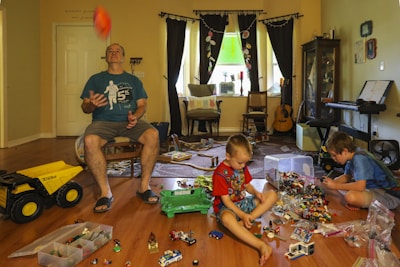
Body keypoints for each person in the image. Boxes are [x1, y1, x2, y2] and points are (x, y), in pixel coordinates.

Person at [80, 43, 159, 213]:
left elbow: (142, 105)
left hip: (130, 121)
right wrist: (91, 105)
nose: (114, 53)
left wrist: (135, 117)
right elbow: (85, 107)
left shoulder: (133, 80)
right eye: (110, 51)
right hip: (103, 122)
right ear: (106, 57)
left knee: (153, 134)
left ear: (123, 57)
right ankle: (105, 192)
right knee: (89, 140)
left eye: (118, 51)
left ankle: (144, 187)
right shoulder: (95, 79)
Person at [212, 134, 278, 266]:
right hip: (227, 209)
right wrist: (242, 215)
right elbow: (226, 201)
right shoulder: (219, 174)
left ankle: (247, 221)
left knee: (272, 195)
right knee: (226, 219)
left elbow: (247, 185)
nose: (243, 166)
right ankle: (260, 245)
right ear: (228, 156)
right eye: (240, 163)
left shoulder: (241, 167)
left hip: (242, 204)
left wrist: (257, 193)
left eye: (245, 163)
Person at [322, 131, 400, 210]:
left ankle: (362, 204)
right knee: (336, 181)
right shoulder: (351, 156)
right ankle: (362, 201)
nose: (333, 158)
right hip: (372, 189)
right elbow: (347, 176)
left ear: (345, 151)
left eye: (334, 155)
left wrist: (335, 185)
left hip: (388, 196)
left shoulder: (359, 159)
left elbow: (360, 187)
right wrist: (332, 182)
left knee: (350, 197)